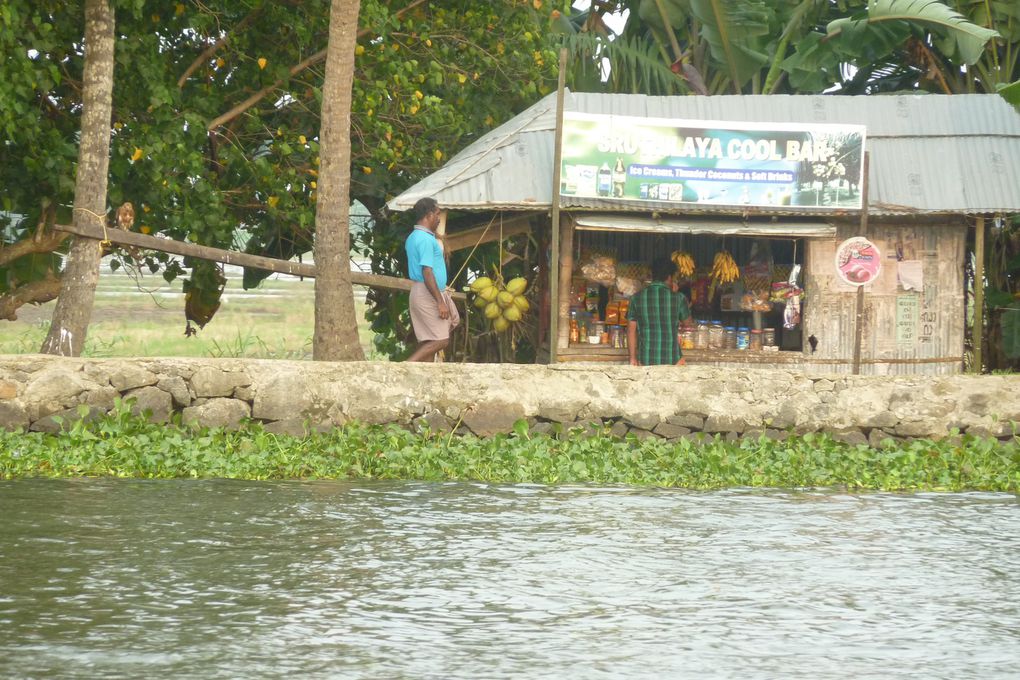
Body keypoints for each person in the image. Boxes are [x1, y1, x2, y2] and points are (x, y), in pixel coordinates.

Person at [405, 197, 459, 362]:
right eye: (437, 214)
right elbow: (427, 271)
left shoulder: (415, 236)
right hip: (427, 291)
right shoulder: (425, 240)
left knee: (433, 337)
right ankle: (406, 366)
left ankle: (425, 374)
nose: (438, 218)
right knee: (440, 339)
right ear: (428, 215)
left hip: (423, 290)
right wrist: (440, 301)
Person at [627, 256, 691, 366]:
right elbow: (688, 324)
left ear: (652, 275)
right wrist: (677, 294)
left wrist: (632, 358)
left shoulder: (636, 298)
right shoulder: (679, 298)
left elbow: (631, 331)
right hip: (673, 361)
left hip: (646, 361)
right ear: (669, 277)